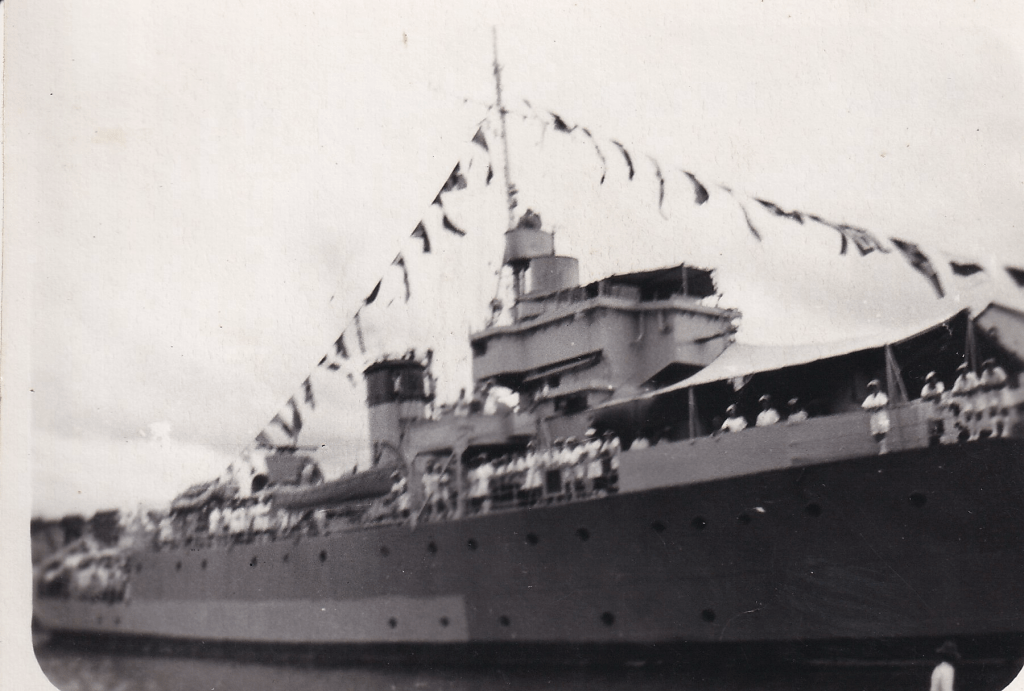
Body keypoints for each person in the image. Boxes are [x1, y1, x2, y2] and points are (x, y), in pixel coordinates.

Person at [951, 362, 980, 441]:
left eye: (964, 370)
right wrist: (962, 392)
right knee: (968, 416)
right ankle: (971, 435)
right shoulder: (959, 380)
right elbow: (953, 392)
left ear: (966, 370)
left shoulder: (972, 376)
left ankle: (976, 434)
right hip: (967, 401)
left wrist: (970, 391)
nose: (963, 372)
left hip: (975, 398)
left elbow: (978, 386)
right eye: (961, 371)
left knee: (975, 417)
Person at [980, 358, 1009, 438]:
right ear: (986, 367)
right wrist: (992, 387)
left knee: (1004, 410)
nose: (989, 367)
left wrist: (991, 386)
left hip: (1002, 393)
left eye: (991, 365)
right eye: (987, 366)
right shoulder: (984, 373)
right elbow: (983, 386)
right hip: (992, 395)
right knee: (993, 411)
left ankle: (1006, 431)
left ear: (993, 365)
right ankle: (995, 431)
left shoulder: (999, 371)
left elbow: (1003, 383)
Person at [862, 380, 890, 454]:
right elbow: (865, 407)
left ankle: (883, 449)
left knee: (882, 431)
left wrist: (875, 408)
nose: (873, 389)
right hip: (873, 417)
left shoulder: (882, 395)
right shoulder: (869, 398)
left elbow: (884, 404)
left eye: (874, 387)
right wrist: (872, 408)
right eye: (872, 388)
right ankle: (882, 448)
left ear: (878, 387)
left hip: (881, 415)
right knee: (875, 433)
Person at [921, 371, 946, 446]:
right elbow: (924, 397)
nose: (934, 380)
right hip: (930, 409)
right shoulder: (925, 388)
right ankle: (933, 442)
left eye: (935, 378)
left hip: (939, 407)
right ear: (930, 380)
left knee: (940, 424)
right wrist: (932, 396)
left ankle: (942, 441)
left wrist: (930, 396)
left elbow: (939, 394)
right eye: (932, 379)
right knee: (932, 427)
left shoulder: (940, 384)